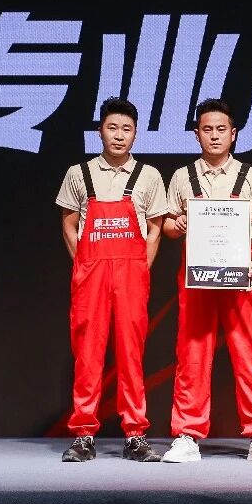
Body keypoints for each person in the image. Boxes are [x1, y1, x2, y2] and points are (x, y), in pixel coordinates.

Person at [159, 99, 252, 464]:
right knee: (192, 355)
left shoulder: (251, 176)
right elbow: (168, 225)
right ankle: (187, 435)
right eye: (207, 129)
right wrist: (177, 224)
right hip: (198, 277)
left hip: (243, 277)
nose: (214, 135)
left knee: (251, 354)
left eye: (221, 129)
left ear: (234, 133)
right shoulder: (183, 176)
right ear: (197, 134)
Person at [54, 97, 167, 462]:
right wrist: (84, 263)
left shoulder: (148, 176)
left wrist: (141, 266)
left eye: (127, 129)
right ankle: (84, 434)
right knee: (88, 353)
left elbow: (156, 228)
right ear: (100, 131)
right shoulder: (79, 173)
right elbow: (68, 222)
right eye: (112, 128)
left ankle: (135, 434)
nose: (119, 135)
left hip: (131, 274)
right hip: (92, 273)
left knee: (131, 354)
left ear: (136, 134)